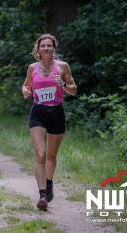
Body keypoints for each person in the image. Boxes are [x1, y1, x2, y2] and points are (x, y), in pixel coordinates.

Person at [22, 34, 77, 210]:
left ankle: (49, 182)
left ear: (54, 48)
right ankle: (42, 195)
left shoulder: (63, 67)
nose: (46, 48)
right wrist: (25, 91)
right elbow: (26, 85)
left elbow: (74, 90)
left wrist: (64, 85)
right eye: (43, 46)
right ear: (38, 49)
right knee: (40, 154)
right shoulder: (32, 68)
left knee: (51, 156)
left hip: (57, 113)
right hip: (38, 113)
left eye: (49, 45)